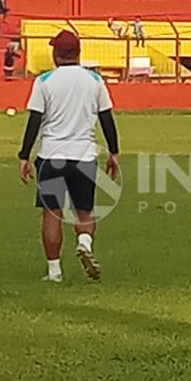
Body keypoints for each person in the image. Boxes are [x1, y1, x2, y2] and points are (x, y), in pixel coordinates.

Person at [18, 30, 121, 283]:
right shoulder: (95, 80)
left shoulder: (44, 81)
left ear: (56, 54)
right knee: (84, 211)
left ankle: (54, 272)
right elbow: (106, 118)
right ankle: (84, 243)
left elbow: (35, 119)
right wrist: (114, 152)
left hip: (52, 156)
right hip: (84, 156)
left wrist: (24, 155)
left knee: (52, 213)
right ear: (78, 52)